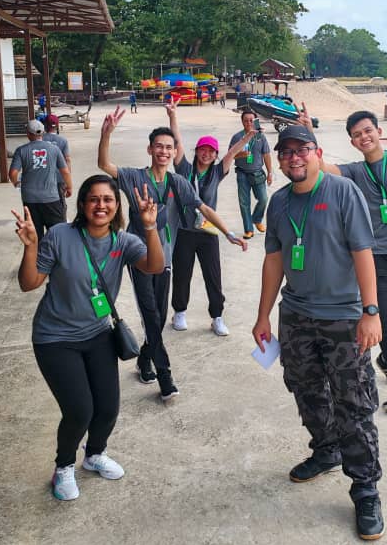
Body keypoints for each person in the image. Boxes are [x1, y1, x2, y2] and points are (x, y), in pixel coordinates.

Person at [252, 125, 385, 541]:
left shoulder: (343, 192)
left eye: (302, 150)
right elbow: (274, 260)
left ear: (317, 153)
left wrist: (370, 312)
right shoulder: (279, 202)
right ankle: (326, 450)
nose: (294, 158)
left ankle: (365, 488)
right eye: (286, 152)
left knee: (353, 402)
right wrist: (263, 316)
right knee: (305, 388)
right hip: (296, 315)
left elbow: (363, 252)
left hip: (344, 317)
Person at [299, 57, 387, 412]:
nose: (364, 137)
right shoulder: (354, 172)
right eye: (357, 135)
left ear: (378, 131)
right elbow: (321, 168)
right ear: (353, 141)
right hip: (376, 257)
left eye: (367, 131)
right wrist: (308, 135)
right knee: (386, 321)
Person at [13, 174, 164, 501]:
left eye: (108, 199)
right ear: (82, 204)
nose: (101, 205)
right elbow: (29, 283)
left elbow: (154, 266)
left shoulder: (123, 242)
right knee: (80, 410)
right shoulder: (59, 235)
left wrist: (150, 227)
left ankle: (94, 454)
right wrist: (31, 246)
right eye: (94, 199)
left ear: (117, 206)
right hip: (55, 337)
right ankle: (64, 466)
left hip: (98, 334)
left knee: (107, 407)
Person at [98, 107, 246, 400]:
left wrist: (228, 232)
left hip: (165, 259)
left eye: (169, 147)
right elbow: (104, 164)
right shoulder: (134, 177)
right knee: (152, 318)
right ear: (150, 149)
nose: (164, 151)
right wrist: (107, 134)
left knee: (159, 315)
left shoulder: (178, 183)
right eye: (159, 146)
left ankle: (144, 360)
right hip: (140, 260)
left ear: (174, 151)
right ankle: (165, 377)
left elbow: (204, 208)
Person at [165, 103, 249, 336]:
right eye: (203, 150)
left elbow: (231, 153)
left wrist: (246, 137)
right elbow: (177, 141)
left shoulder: (217, 173)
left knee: (213, 276)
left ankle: (217, 317)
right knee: (182, 275)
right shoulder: (184, 169)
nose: (207, 154)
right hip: (184, 232)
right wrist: (173, 115)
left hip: (208, 232)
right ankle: (179, 312)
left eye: (212, 151)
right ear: (197, 151)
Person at [9, 120, 73, 241]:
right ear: (42, 133)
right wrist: (69, 187)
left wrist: (16, 183)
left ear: (28, 134)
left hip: (30, 199)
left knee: (35, 236)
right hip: (51, 198)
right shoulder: (54, 149)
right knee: (57, 235)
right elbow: (65, 171)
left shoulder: (21, 150)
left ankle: (37, 253)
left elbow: (12, 173)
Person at [229, 110, 273, 238]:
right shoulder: (237, 137)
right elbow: (230, 155)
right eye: (246, 120)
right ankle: (248, 229)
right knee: (244, 203)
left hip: (257, 173)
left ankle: (257, 219)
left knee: (263, 199)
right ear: (242, 122)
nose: (248, 123)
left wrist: (270, 172)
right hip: (242, 173)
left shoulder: (260, 136)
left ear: (255, 121)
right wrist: (240, 154)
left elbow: (266, 154)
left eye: (251, 120)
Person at [42, 114, 71, 218]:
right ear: (57, 126)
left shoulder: (40, 140)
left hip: (42, 177)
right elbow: (67, 160)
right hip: (59, 178)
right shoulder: (63, 141)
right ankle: (62, 221)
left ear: (45, 125)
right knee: (60, 202)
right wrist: (68, 181)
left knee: (43, 202)